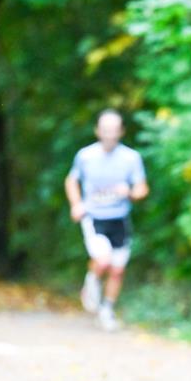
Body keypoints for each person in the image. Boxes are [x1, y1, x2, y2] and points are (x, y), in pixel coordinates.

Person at [65, 109, 149, 331]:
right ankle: (92, 280)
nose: (109, 134)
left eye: (113, 130)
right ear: (97, 131)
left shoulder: (131, 158)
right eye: (105, 130)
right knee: (103, 260)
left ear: (121, 131)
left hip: (120, 219)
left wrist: (129, 192)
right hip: (94, 218)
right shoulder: (85, 156)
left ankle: (107, 309)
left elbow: (142, 189)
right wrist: (76, 204)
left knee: (118, 270)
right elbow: (71, 181)